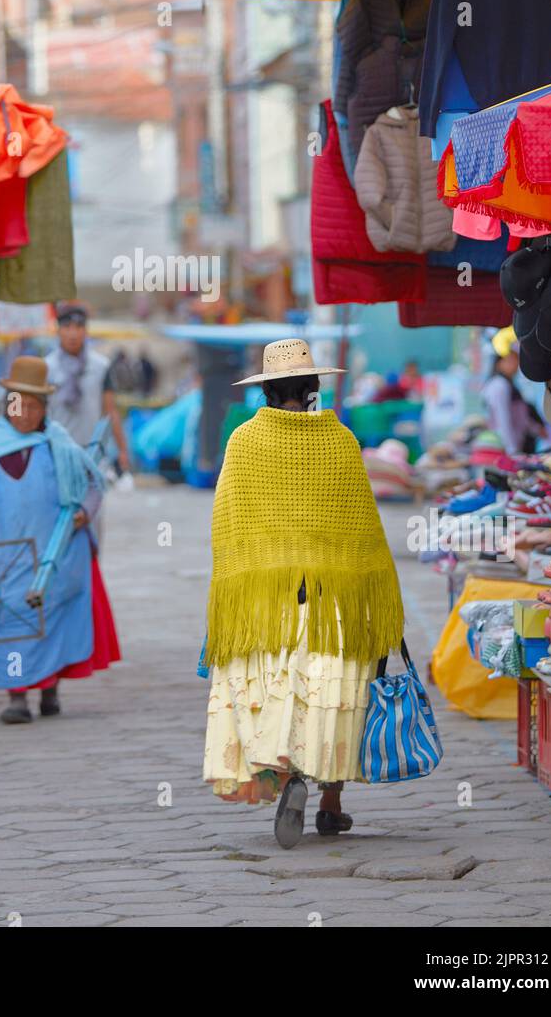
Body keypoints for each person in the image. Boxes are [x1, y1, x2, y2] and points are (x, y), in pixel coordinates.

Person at [202, 338, 404, 848]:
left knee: (281, 694)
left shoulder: (245, 441)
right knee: (334, 696)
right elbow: (365, 530)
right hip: (333, 600)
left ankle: (289, 778)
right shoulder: (340, 440)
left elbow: (227, 522)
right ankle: (331, 804)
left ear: (266, 390)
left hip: (271, 603)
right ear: (313, 388)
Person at [0, 356, 120, 724]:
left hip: (54, 554)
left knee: (51, 620)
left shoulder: (58, 444)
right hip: (3, 556)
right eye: (17, 403)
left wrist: (82, 514)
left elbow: (93, 485)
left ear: (44, 408)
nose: (23, 412)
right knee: (12, 621)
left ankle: (48, 690)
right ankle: (16, 697)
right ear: (6, 404)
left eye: (32, 405)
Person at [46, 302, 131, 471]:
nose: (73, 334)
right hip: (56, 454)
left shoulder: (101, 366)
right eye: (67, 327)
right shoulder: (46, 367)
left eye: (78, 327)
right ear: (57, 330)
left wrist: (122, 450)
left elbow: (110, 411)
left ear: (86, 331)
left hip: (92, 455)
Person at [482, 346, 545, 456]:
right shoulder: (500, 385)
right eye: (511, 360)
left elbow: (521, 415)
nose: (516, 364)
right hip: (508, 447)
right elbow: (503, 418)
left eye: (517, 359)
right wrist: (512, 450)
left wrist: (535, 428)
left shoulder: (506, 384)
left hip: (516, 444)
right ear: (499, 363)